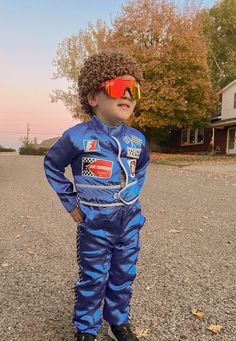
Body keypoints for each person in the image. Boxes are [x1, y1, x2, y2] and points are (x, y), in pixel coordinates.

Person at [43, 49, 150, 341]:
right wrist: (70, 202)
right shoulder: (77, 136)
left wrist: (133, 193)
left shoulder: (136, 139)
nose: (128, 95)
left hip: (128, 220)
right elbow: (52, 164)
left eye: (134, 89)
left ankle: (118, 320)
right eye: (118, 87)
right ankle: (87, 328)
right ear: (93, 98)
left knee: (123, 273)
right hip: (95, 220)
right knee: (93, 276)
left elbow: (142, 167)